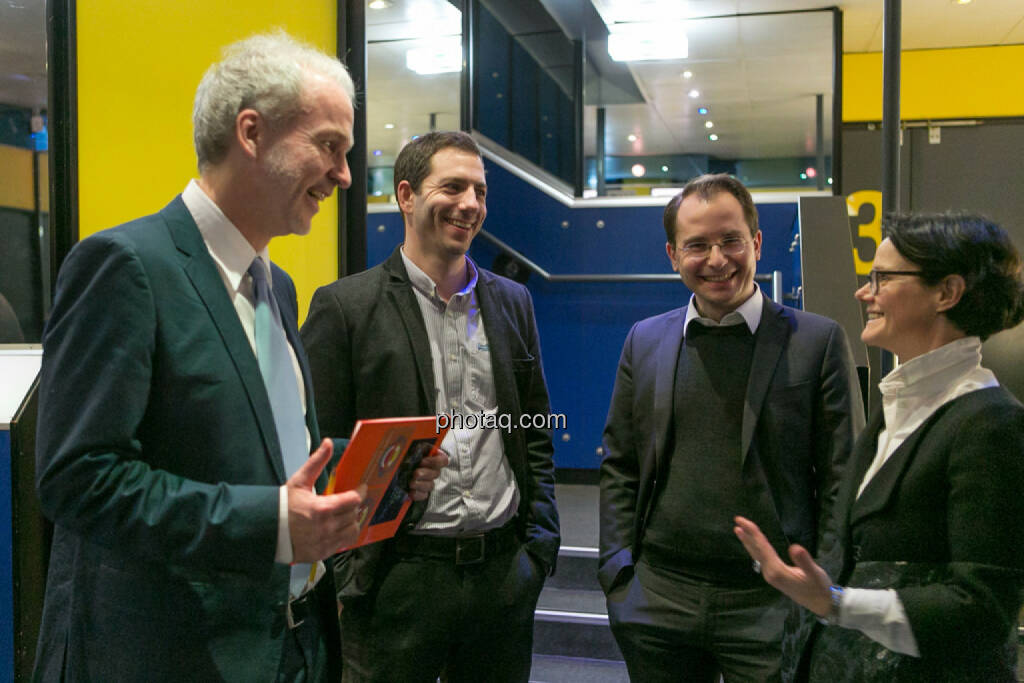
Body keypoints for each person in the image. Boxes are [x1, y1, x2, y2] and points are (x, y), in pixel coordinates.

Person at [33, 32, 443, 682]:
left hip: (296, 645)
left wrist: (367, 473)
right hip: (175, 655)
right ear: (251, 133)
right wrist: (272, 523)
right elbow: (77, 478)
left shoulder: (275, 285)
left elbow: (259, 450)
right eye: (329, 146)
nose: (343, 174)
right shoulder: (125, 266)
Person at [300, 130, 560, 683]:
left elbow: (532, 430)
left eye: (480, 192)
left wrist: (537, 550)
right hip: (397, 578)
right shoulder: (345, 307)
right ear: (407, 195)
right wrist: (348, 573)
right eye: (454, 187)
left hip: (502, 576)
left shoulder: (512, 303)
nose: (471, 204)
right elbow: (317, 448)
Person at [735, 212, 1024, 682]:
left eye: (883, 278)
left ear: (947, 293)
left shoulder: (991, 422)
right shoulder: (898, 405)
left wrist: (838, 602)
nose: (863, 292)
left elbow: (983, 606)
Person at [599, 173, 865, 682]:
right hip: (658, 600)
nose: (717, 259)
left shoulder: (817, 341)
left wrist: (821, 588)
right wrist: (619, 575)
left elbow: (842, 477)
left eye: (731, 241)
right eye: (697, 245)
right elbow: (621, 462)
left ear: (757, 244)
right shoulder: (644, 341)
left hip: (771, 603)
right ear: (673, 255)